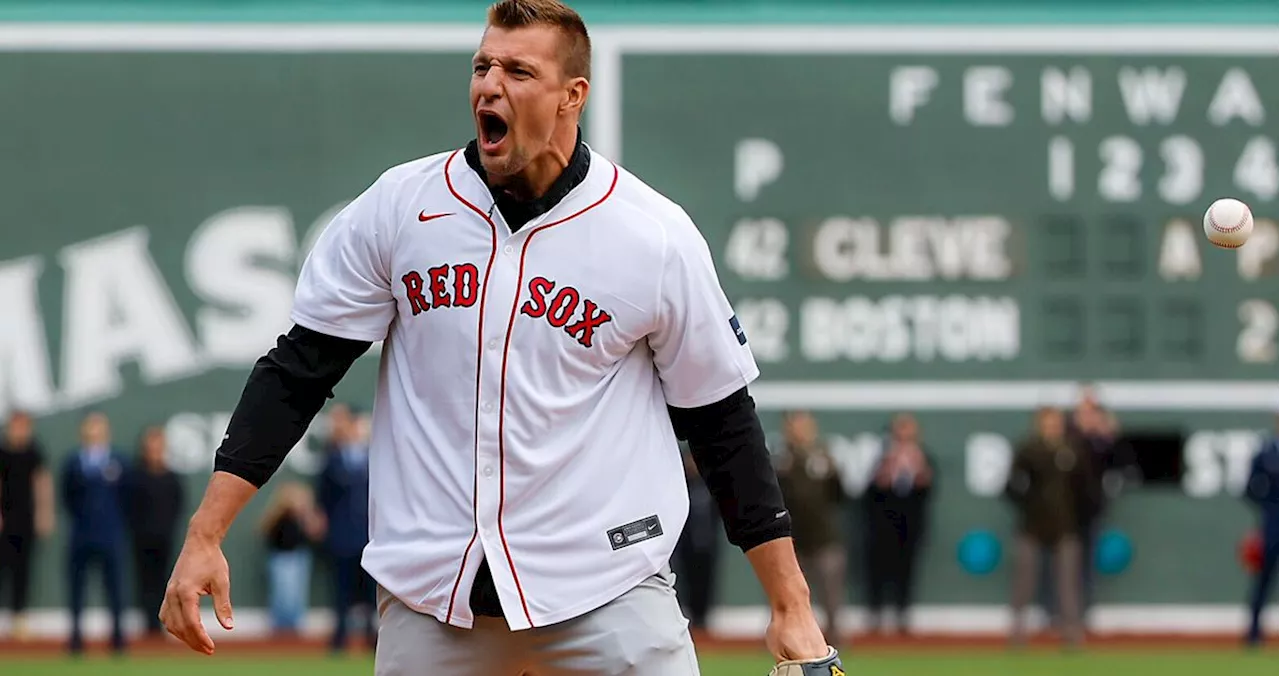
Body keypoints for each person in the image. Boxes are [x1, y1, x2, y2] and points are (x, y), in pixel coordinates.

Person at [159, 1, 835, 674]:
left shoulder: (651, 234)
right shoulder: (402, 207)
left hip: (608, 593)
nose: (490, 84)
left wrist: (790, 601)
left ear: (573, 96)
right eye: (483, 65)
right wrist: (205, 532)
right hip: (435, 603)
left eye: (518, 70)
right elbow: (296, 373)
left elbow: (720, 419)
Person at [1004, 406, 1097, 649]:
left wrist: (1080, 516)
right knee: (1024, 582)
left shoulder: (1073, 450)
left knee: (1068, 584)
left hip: (1066, 526)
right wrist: (1027, 505)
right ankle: (1017, 634)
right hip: (1032, 526)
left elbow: (1086, 489)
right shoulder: (1028, 450)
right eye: (1047, 422)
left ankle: (1072, 635)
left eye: (1055, 422)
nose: (1051, 427)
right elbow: (1011, 485)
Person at [774, 410, 846, 645]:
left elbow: (839, 495)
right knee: (786, 595)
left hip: (824, 537)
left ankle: (833, 641)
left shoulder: (824, 457)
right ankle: (785, 639)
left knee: (830, 597)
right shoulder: (781, 459)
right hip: (791, 539)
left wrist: (831, 469)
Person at [61, 411, 129, 654]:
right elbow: (66, 496)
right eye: (90, 427)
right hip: (80, 534)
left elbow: (128, 497)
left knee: (115, 589)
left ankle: (118, 640)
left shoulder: (119, 461)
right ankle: (76, 640)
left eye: (98, 427)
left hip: (110, 534)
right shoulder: (73, 462)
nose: (94, 432)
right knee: (77, 589)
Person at [864, 412, 934, 635]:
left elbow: (929, 489)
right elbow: (868, 493)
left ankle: (902, 613)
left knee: (906, 571)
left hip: (910, 525)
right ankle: (876, 614)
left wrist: (921, 473)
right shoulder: (882, 458)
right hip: (883, 526)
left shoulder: (923, 458)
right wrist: (883, 476)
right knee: (878, 570)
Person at [315, 403, 377, 652]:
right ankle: (340, 639)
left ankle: (373, 638)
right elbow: (323, 498)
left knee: (373, 593)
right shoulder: (331, 458)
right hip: (342, 536)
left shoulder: (373, 454)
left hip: (370, 536)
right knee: (341, 592)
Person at [124, 425, 186, 639]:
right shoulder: (135, 476)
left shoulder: (172, 478)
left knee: (165, 582)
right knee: (144, 583)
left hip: (165, 538)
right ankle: (149, 626)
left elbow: (178, 505)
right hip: (141, 539)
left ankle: (162, 625)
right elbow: (129, 507)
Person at [0, 410, 54, 641]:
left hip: (25, 520)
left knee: (22, 571)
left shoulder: (34, 452)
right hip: (5, 519)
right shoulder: (2, 452)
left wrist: (44, 513)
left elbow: (42, 482)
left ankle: (19, 619)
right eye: (16, 426)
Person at [260, 481, 326, 637]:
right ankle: (280, 627)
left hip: (299, 557)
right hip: (281, 557)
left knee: (296, 594)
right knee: (282, 594)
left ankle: (294, 627)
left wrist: (307, 513)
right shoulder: (278, 516)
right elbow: (264, 530)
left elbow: (317, 533)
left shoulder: (303, 518)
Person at [670, 441, 723, 634]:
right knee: (684, 582)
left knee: (705, 582)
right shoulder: (681, 486)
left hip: (706, 543)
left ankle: (703, 620)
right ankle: (688, 617)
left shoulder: (709, 486)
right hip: (684, 545)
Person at [1244, 413, 1280, 646]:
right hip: (1273, 525)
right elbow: (1249, 488)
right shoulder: (1266, 451)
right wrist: (1268, 506)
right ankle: (1254, 634)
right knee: (1263, 580)